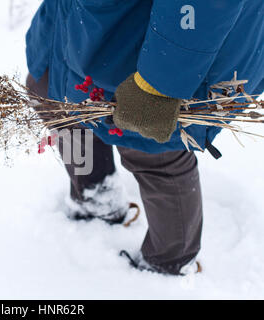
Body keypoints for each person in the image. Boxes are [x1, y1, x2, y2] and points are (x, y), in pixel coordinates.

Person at [25, 0, 264, 275]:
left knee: (152, 149)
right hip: (82, 28)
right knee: (59, 102)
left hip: (149, 47)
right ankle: (96, 196)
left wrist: (159, 85)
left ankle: (168, 262)